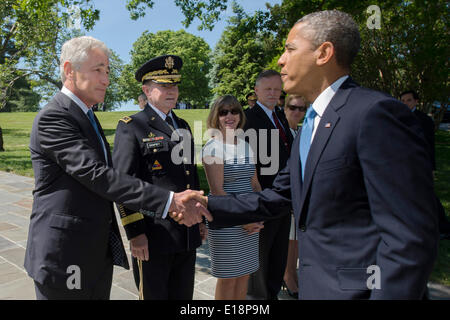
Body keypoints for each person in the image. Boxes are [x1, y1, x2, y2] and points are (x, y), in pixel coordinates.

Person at [175, 10, 439, 299]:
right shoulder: (310, 124)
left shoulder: (376, 114)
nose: (281, 60)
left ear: (324, 52)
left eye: (290, 49)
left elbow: (409, 240)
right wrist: (207, 204)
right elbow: (279, 195)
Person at [24, 36, 210, 300]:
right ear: (69, 70)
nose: (106, 80)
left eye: (107, 71)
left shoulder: (87, 117)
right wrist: (168, 202)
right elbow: (99, 175)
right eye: (98, 70)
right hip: (67, 252)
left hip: (95, 250)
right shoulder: (55, 116)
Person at [113, 55, 206, 300]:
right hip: (153, 235)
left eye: (174, 85)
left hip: (186, 234)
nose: (171, 91)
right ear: (146, 89)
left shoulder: (183, 125)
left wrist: (200, 219)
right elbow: (123, 183)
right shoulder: (132, 126)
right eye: (164, 85)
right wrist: (135, 232)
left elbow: (191, 177)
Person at [202, 95, 264, 300]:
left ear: (240, 115)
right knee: (228, 278)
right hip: (228, 221)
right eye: (223, 112)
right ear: (216, 117)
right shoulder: (212, 148)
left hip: (249, 219)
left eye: (234, 111)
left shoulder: (246, 144)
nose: (230, 116)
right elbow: (218, 191)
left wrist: (259, 213)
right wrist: (244, 220)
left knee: (244, 275)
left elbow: (254, 183)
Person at [245, 70, 294, 300]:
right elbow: (245, 165)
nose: (274, 93)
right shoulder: (247, 119)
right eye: (268, 89)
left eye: (277, 89)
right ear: (256, 91)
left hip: (283, 203)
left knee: (278, 259)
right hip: (262, 202)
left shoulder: (281, 117)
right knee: (260, 267)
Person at [400, 90, 450, 238]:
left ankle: (443, 227)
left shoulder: (424, 120)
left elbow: (429, 145)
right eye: (402, 101)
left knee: (427, 196)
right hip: (403, 163)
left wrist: (431, 168)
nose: (405, 103)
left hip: (420, 163)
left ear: (416, 101)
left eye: (408, 100)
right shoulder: (398, 118)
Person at [281, 94, 306, 298]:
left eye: (301, 108)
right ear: (285, 108)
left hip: (302, 192)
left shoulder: (301, 131)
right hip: (287, 192)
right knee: (291, 238)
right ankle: (288, 275)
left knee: (297, 237)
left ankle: (292, 273)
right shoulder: (281, 133)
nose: (297, 112)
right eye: (292, 107)